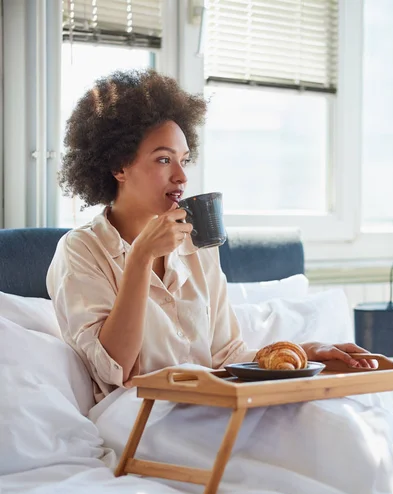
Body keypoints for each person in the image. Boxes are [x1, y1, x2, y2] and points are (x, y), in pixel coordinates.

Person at [47, 69, 373, 404]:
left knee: (330, 416)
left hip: (210, 403)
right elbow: (114, 369)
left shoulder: (195, 241)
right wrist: (141, 258)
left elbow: (225, 355)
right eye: (164, 159)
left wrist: (305, 353)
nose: (181, 176)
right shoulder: (81, 250)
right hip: (138, 413)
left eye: (184, 160)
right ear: (119, 167)